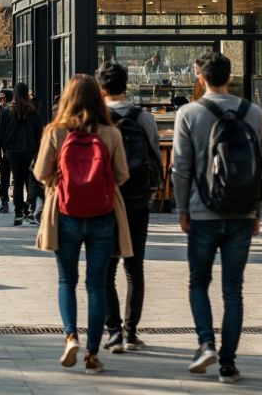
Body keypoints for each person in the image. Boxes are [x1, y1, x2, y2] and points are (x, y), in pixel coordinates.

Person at [171, 51, 262, 384]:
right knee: (233, 289)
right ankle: (228, 364)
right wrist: (257, 210)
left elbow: (181, 169)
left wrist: (183, 208)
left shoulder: (188, 113)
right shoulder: (253, 113)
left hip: (202, 212)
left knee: (199, 282)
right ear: (230, 77)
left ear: (201, 78)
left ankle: (205, 344)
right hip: (242, 213)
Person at [33, 74, 133, 375]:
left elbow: (40, 172)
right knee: (97, 285)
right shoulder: (110, 133)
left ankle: (71, 336)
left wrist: (57, 183)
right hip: (102, 215)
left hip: (65, 214)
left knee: (67, 280)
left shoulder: (55, 131)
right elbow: (122, 174)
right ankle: (92, 353)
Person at [98, 62, 163, 354]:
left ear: (101, 89)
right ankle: (131, 331)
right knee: (134, 267)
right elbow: (154, 154)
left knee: (105, 270)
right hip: (137, 199)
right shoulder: (143, 117)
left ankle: (112, 330)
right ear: (127, 85)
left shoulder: (96, 118)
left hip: (105, 200)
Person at [0, 82, 44, 225]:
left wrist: (0, 149)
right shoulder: (33, 111)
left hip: (13, 151)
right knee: (30, 181)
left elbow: (0, 132)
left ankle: (18, 212)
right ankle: (29, 209)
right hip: (30, 151)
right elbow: (39, 132)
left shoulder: (6, 110)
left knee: (17, 182)